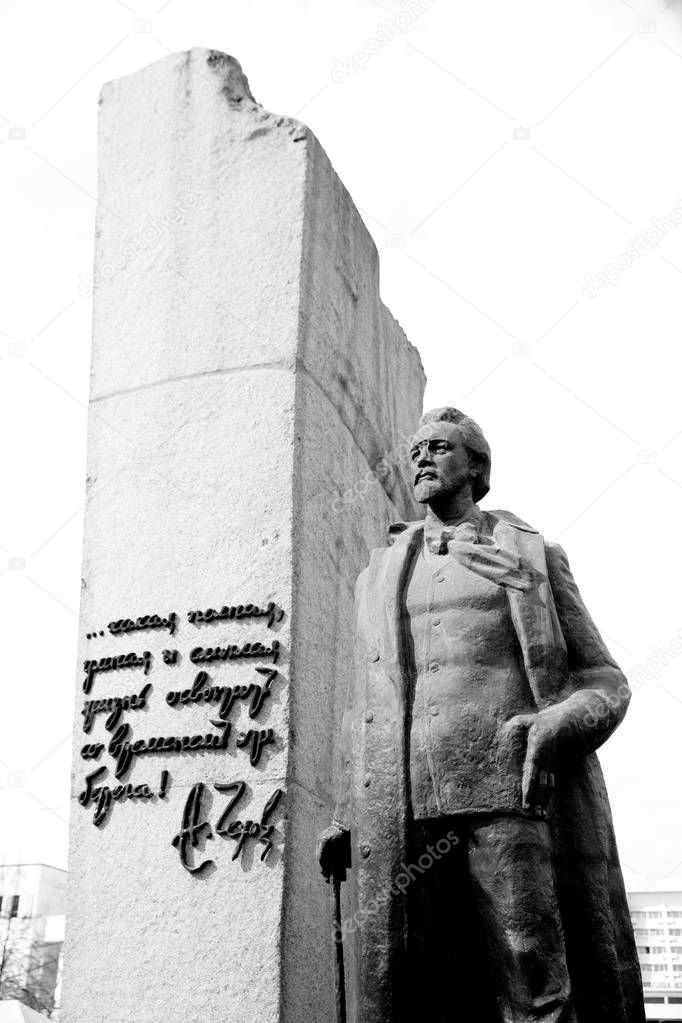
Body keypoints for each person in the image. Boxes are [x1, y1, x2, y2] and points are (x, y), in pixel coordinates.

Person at [317, 406, 644, 1023]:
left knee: (533, 977)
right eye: (414, 450)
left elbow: (606, 679)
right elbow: (365, 699)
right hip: (401, 803)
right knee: (413, 982)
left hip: (507, 792)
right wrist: (343, 810)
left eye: (438, 447)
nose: (421, 459)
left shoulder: (534, 557)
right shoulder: (378, 573)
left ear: (476, 467)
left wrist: (559, 724)